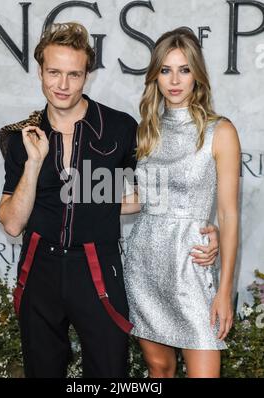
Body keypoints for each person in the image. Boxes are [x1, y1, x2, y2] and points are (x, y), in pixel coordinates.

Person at [0, 22, 219, 378]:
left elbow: (159, 190)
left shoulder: (119, 128)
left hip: (98, 267)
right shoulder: (21, 135)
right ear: (40, 72)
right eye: (54, 72)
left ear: (88, 75)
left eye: (74, 74)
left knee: (110, 373)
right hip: (39, 267)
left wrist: (204, 229)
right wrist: (35, 162)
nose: (63, 85)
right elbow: (11, 221)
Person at [122, 27, 240, 378]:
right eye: (166, 70)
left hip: (192, 266)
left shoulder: (220, 132)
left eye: (184, 70)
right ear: (155, 76)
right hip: (145, 263)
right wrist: (75, 202)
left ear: (197, 76)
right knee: (160, 369)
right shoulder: (146, 131)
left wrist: (225, 291)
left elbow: (229, 213)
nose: (175, 80)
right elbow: (146, 199)